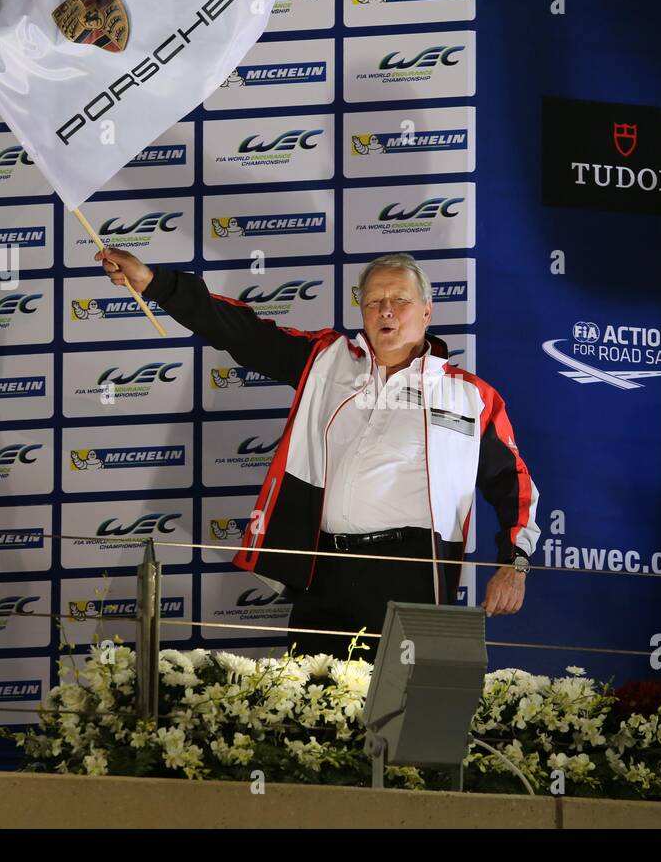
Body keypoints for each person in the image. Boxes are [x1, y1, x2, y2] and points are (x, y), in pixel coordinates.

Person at [97, 248, 539, 659]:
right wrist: (154, 282)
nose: (385, 310)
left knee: (396, 715)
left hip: (407, 576)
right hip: (322, 569)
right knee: (309, 711)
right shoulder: (326, 359)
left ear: (427, 311)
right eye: (373, 301)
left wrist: (514, 565)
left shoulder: (470, 396)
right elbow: (242, 331)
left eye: (400, 300)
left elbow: (514, 488)